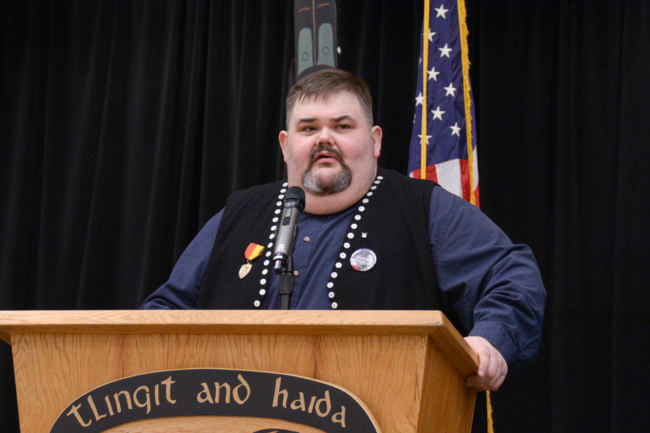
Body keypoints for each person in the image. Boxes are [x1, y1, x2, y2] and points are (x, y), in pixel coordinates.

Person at [143, 69, 545, 393]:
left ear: (375, 140)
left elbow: (512, 276)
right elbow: (166, 310)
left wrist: (489, 341)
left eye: (342, 126)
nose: (324, 138)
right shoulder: (239, 214)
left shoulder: (423, 209)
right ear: (285, 145)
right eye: (308, 128)